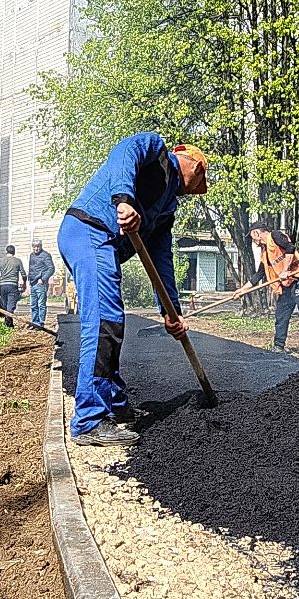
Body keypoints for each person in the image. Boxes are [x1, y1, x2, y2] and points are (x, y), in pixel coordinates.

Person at [57, 134, 209, 446]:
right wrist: (123, 199)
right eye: (198, 179)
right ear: (192, 164)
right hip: (89, 231)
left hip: (104, 246)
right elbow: (123, 153)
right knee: (105, 321)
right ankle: (88, 420)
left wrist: (171, 314)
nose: (194, 190)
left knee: (113, 321)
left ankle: (114, 405)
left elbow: (161, 264)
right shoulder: (157, 152)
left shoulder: (165, 210)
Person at [250, 221, 299, 355]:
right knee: (281, 315)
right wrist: (241, 291)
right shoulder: (265, 253)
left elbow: (290, 248)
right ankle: (278, 347)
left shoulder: (275, 236)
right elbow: (259, 275)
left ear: (256, 233)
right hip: (286, 285)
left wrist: (285, 270)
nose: (254, 242)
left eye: (253, 237)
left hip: (298, 279)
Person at [26, 239, 55, 325]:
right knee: (33, 305)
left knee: (41, 304)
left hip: (40, 283)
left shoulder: (45, 255)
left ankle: (41, 322)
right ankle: (35, 322)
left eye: (38, 247)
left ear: (41, 246)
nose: (36, 249)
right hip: (32, 282)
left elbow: (51, 268)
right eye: (34, 247)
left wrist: (43, 278)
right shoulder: (31, 255)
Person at [0, 244, 25, 315]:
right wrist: (24, 283)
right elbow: (23, 274)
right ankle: (9, 324)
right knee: (10, 306)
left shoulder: (0, 261)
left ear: (6, 252)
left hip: (3, 285)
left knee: (4, 306)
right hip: (13, 285)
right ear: (14, 252)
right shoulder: (18, 261)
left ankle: (8, 323)